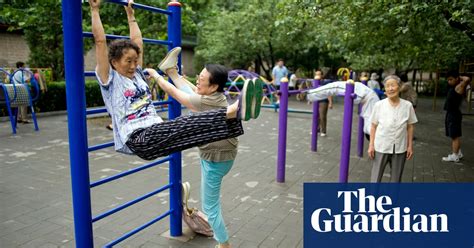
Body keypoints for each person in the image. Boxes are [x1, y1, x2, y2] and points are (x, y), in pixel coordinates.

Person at [89, 0, 260, 161]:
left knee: (199, 133)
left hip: (155, 131)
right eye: (129, 61)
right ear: (114, 62)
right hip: (138, 138)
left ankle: (237, 116)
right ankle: (234, 110)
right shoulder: (110, 78)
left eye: (136, 61)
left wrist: (131, 16)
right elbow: (100, 42)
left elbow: (137, 42)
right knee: (184, 123)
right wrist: (95, 10)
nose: (134, 65)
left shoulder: (138, 74)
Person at [148, 63, 245, 248]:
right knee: (209, 200)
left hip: (217, 159)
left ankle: (224, 245)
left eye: (201, 79)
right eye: (198, 76)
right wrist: (173, 73)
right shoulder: (214, 96)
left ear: (214, 86)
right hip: (222, 154)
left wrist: (156, 75)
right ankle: (170, 68)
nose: (197, 81)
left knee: (210, 207)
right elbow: (192, 91)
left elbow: (178, 94)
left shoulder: (205, 101)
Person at [368, 75, 418, 182]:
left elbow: (410, 126)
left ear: (399, 87)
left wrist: (410, 146)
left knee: (396, 180)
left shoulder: (407, 105)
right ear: (385, 89)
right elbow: (373, 126)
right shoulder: (379, 105)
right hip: (381, 146)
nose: (390, 89)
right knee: (375, 179)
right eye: (387, 86)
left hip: (400, 147)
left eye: (393, 85)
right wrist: (371, 145)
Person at [307, 80, 379, 138]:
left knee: (370, 128)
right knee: (369, 127)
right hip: (368, 98)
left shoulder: (356, 90)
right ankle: (310, 94)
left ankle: (310, 94)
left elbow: (333, 88)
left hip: (367, 97)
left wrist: (310, 94)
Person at [441, 71, 471, 162]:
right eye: (448, 80)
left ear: (457, 78)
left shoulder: (459, 86)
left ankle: (455, 156)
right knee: (453, 134)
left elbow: (468, 79)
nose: (449, 81)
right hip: (450, 113)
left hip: (454, 114)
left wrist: (460, 76)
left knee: (454, 136)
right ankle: (458, 153)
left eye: (451, 79)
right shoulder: (454, 87)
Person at [314, 69, 333, 137]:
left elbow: (328, 93)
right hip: (316, 100)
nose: (317, 76)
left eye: (319, 74)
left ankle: (323, 131)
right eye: (316, 74)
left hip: (323, 100)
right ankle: (316, 129)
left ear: (322, 75)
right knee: (316, 116)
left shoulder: (324, 83)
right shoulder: (315, 82)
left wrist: (330, 102)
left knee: (322, 116)